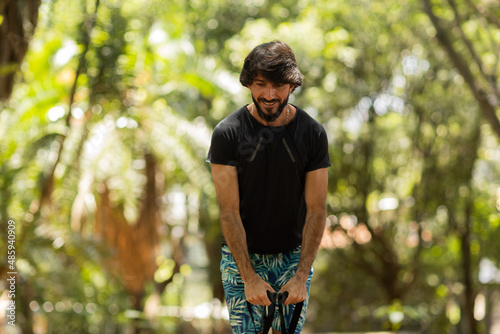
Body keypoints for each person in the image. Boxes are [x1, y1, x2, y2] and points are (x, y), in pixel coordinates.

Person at [207, 40, 330, 334]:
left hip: (292, 256)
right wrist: (248, 276)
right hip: (241, 257)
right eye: (261, 84)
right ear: (249, 83)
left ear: (292, 85)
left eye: (279, 85)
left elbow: (317, 209)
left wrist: (301, 275)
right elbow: (228, 211)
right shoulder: (227, 134)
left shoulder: (312, 134)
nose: (270, 95)